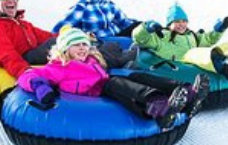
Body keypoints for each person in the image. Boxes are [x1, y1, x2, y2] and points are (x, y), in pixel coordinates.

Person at [17, 26, 210, 125]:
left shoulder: (91, 59)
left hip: (106, 84)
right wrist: (41, 87)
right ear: (65, 49)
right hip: (96, 93)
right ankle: (159, 106)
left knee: (137, 77)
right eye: (77, 45)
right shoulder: (58, 66)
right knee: (115, 83)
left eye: (85, 44)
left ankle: (187, 93)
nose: (83, 48)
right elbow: (28, 75)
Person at [131, 2, 228, 80]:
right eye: (177, 21)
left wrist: (219, 29)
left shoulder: (192, 35)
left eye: (184, 21)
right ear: (169, 23)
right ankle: (227, 69)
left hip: (196, 55)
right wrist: (146, 28)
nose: (181, 24)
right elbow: (139, 38)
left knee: (225, 46)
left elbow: (208, 39)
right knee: (198, 53)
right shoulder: (161, 36)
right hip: (183, 59)